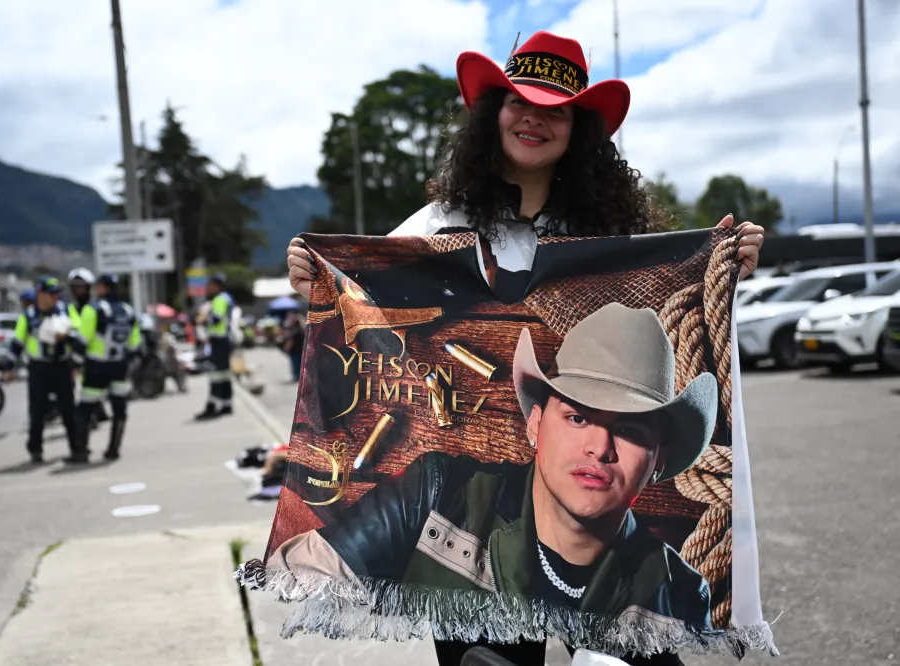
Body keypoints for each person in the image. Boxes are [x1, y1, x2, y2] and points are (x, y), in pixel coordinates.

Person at [285, 31, 765, 666]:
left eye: (557, 108)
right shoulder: (433, 228)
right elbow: (367, 308)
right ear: (493, 114)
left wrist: (728, 262)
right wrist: (314, 280)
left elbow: (682, 302)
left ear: (578, 128)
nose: (534, 117)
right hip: (478, 528)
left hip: (599, 534)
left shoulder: (620, 239)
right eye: (519, 101)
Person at [272, 304, 716, 661]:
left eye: (630, 431)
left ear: (657, 460)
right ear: (535, 424)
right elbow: (295, 579)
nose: (600, 448)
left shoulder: (674, 590)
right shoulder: (439, 496)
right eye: (578, 417)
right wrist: (323, 295)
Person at [11, 277, 81, 464]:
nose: (55, 297)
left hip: (62, 365)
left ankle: (77, 447)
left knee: (68, 409)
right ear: (40, 294)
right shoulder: (28, 315)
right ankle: (35, 449)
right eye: (51, 293)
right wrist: (9, 368)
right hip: (39, 367)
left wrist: (66, 335)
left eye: (57, 293)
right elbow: (17, 342)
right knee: (37, 411)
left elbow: (79, 330)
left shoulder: (66, 309)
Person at [74, 273, 141, 461]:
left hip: (96, 367)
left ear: (103, 287)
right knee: (119, 410)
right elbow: (135, 344)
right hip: (119, 367)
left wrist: (76, 362)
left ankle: (81, 451)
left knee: (85, 409)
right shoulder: (128, 311)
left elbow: (82, 339)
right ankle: (114, 450)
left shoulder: (93, 309)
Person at [67, 267, 110, 427]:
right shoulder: (67, 310)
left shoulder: (98, 309)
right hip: (73, 358)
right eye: (76, 287)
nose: (79, 291)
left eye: (82, 287)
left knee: (92, 390)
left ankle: (95, 413)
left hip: (94, 357)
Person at [195, 273, 237, 420]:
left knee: (216, 375)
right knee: (224, 375)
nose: (208, 288)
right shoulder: (227, 298)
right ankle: (227, 405)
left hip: (219, 341)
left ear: (217, 285)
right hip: (225, 340)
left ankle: (212, 406)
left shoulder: (219, 299)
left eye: (210, 285)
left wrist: (203, 317)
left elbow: (216, 319)